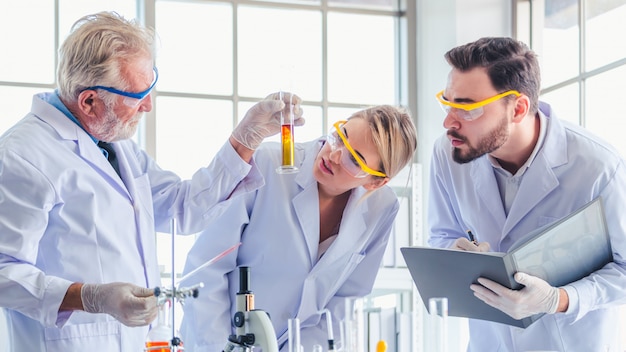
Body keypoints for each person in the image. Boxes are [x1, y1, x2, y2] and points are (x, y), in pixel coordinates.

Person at [0, 11, 303, 352]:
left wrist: (246, 137)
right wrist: (90, 297)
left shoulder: (114, 145)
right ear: (89, 101)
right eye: (137, 95)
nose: (148, 106)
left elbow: (182, 208)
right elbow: (3, 272)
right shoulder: (22, 156)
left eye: (150, 87)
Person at [427, 36, 626, 351]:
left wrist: (558, 299)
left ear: (517, 109)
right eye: (447, 103)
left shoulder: (599, 167)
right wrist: (454, 253)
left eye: (466, 110)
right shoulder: (448, 153)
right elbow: (441, 235)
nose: (448, 122)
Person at [178, 105, 417, 351]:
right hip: (217, 340)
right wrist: (219, 347)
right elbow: (205, 268)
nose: (334, 154)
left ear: (376, 182)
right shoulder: (268, 164)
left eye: (354, 159)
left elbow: (342, 304)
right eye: (340, 136)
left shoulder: (382, 208)